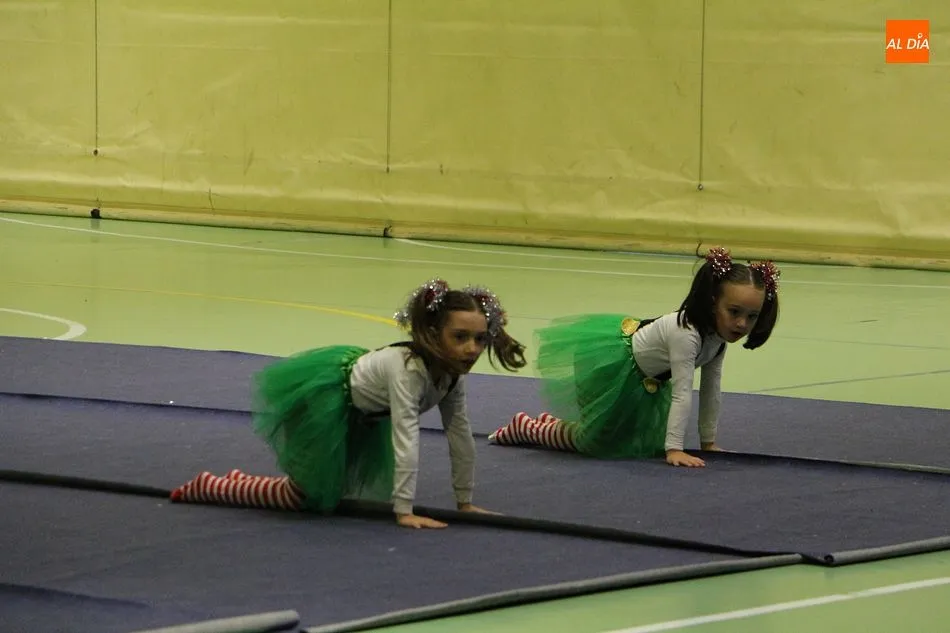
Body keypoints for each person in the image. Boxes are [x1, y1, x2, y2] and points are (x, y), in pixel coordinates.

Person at [170, 279, 527, 529]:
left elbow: (460, 434)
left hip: (365, 415)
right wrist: (404, 511)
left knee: (321, 497)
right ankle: (215, 486)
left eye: (480, 339)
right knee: (306, 499)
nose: (472, 349)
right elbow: (405, 436)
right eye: (460, 337)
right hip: (326, 402)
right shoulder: (407, 371)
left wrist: (465, 501)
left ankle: (239, 482)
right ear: (434, 334)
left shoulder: (450, 376)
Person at [488, 246, 780, 468]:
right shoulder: (687, 332)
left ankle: (549, 425)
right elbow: (682, 392)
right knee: (594, 444)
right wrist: (674, 449)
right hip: (609, 366)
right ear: (714, 301)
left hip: (642, 381)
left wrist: (709, 442)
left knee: (621, 442)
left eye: (752, 316)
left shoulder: (717, 340)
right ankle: (527, 427)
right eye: (734, 312)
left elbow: (710, 390)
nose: (741, 324)